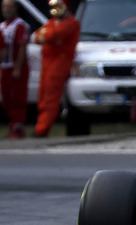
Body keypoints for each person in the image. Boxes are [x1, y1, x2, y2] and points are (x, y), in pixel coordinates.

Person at [32, 0, 79, 137]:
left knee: (50, 98)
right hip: (48, 64)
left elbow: (52, 35)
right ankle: (40, 127)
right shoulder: (53, 23)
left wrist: (46, 35)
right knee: (42, 96)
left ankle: (42, 130)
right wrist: (47, 36)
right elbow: (36, 37)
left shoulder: (71, 23)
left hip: (59, 64)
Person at [0, 0, 30, 139]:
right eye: (4, 7)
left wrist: (17, 68)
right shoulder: (2, 26)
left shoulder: (20, 25)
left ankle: (18, 127)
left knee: (17, 97)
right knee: (6, 99)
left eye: (10, 6)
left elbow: (22, 47)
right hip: (5, 67)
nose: (7, 9)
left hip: (16, 67)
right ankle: (13, 124)